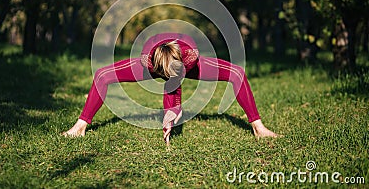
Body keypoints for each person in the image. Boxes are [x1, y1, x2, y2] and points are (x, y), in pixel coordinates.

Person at [63, 33, 278, 143]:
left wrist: (170, 115)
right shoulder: (147, 60)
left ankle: (258, 127)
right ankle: (80, 126)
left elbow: (174, 86)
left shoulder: (190, 56)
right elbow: (169, 82)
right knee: (102, 74)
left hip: (181, 61)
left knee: (236, 73)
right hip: (154, 63)